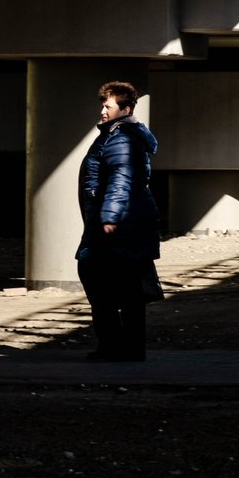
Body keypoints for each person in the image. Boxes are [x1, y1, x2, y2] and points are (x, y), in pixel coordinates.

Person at [76, 80, 161, 362]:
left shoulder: (122, 137)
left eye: (108, 106)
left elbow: (121, 178)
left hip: (120, 224)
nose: (102, 110)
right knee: (124, 287)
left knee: (101, 280)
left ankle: (115, 347)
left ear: (125, 109)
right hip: (127, 221)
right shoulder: (117, 134)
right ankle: (125, 348)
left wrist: (110, 216)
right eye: (103, 104)